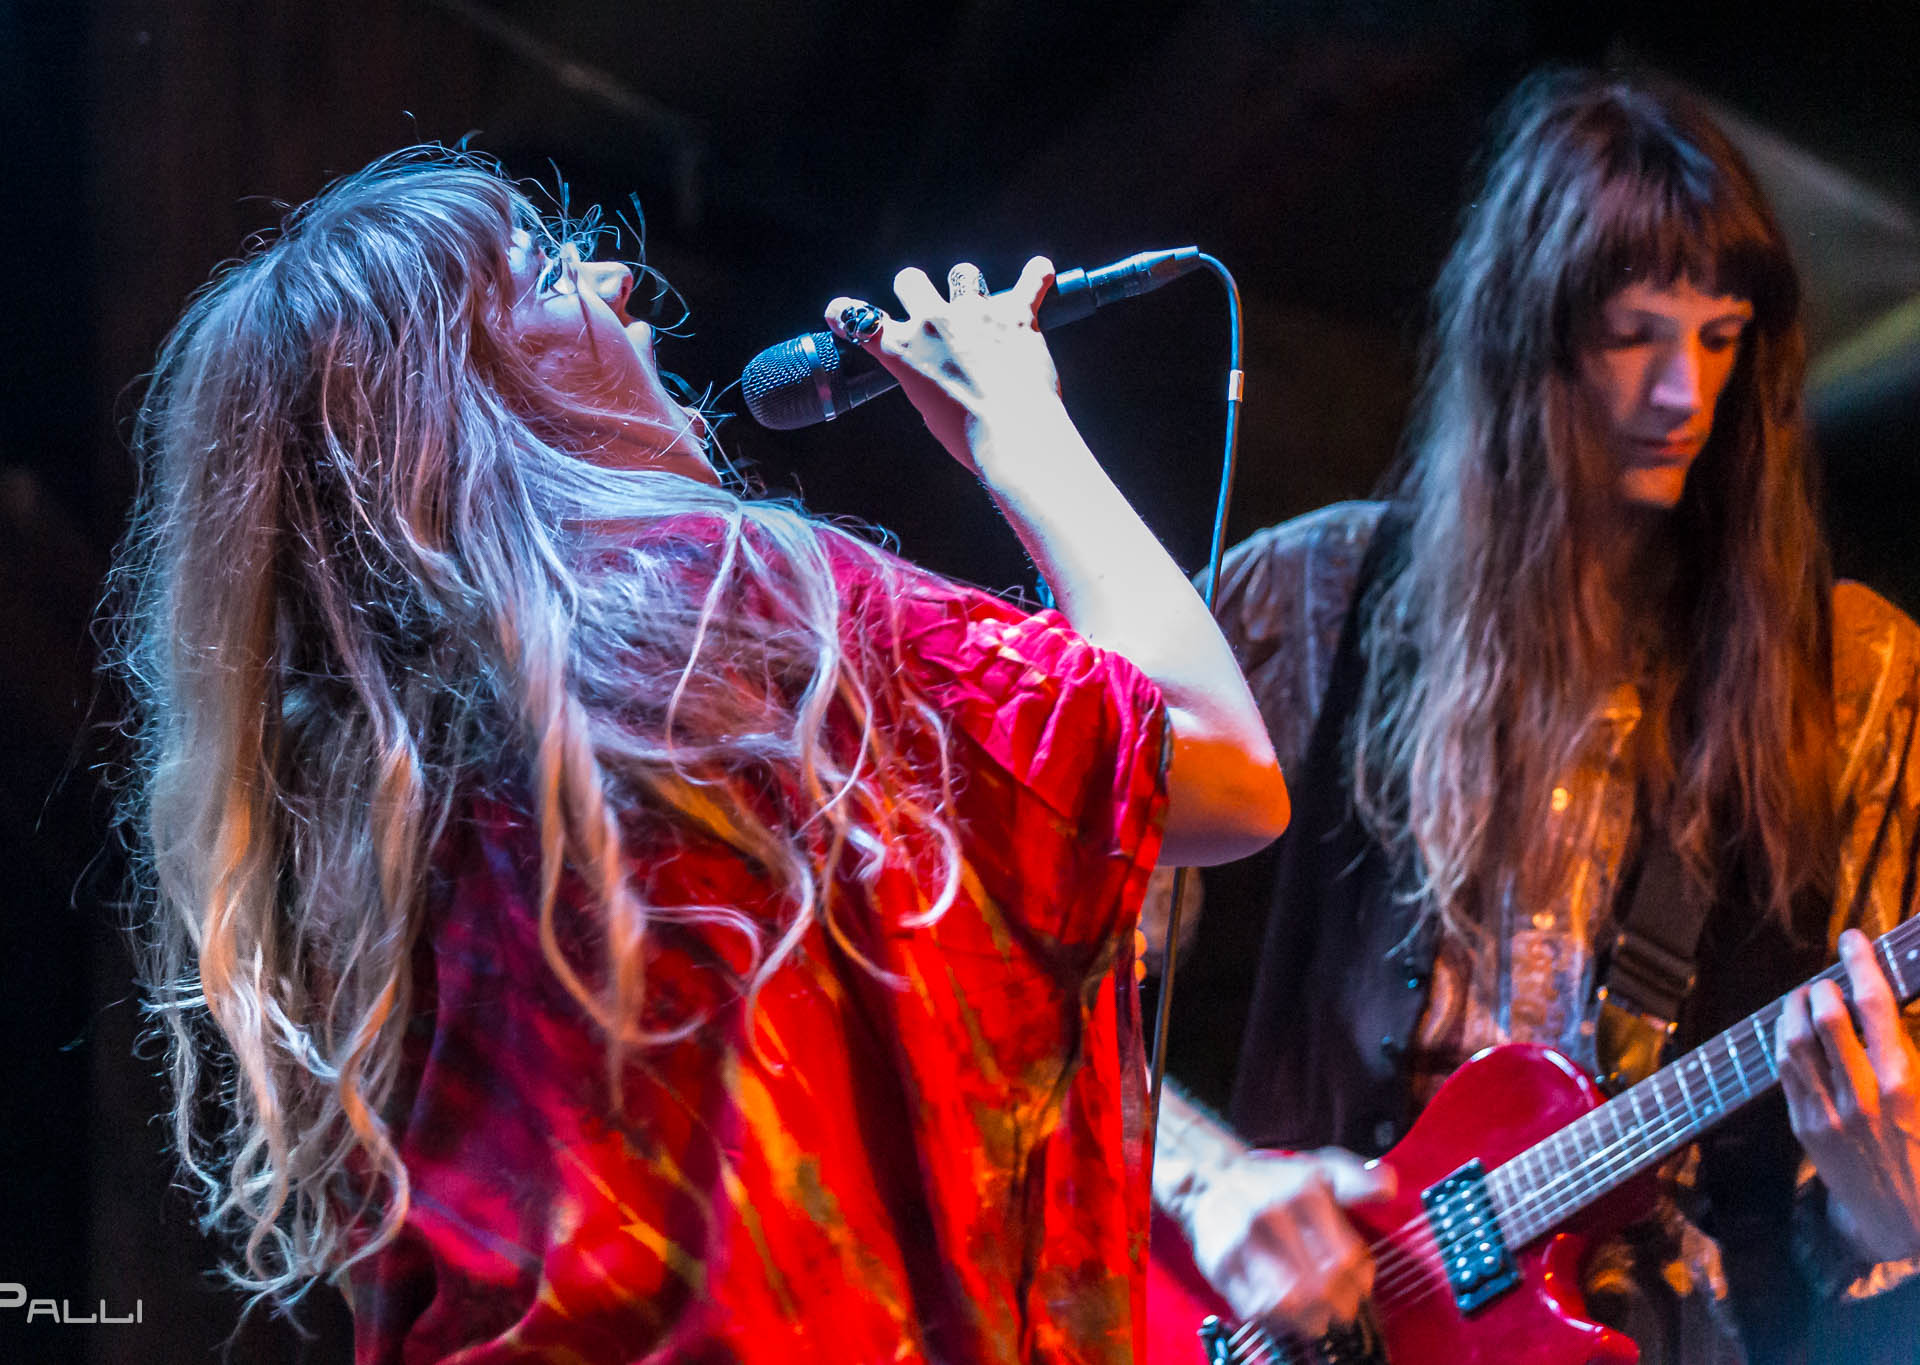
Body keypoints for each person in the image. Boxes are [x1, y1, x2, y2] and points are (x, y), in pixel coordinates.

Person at [107, 147, 1288, 1364]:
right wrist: (1020, 427)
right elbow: (1218, 769)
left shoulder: (365, 806)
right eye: (549, 273)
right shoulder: (726, 603)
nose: (618, 278)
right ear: (468, 403)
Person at [1152, 69, 1920, 1362]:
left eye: (1721, 338)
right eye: (1634, 334)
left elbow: (1855, 1241)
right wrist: (1206, 1177)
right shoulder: (1315, 592)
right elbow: (1046, 960)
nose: (1684, 395)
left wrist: (1882, 1208)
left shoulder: (1860, 677)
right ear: (1527, 340)